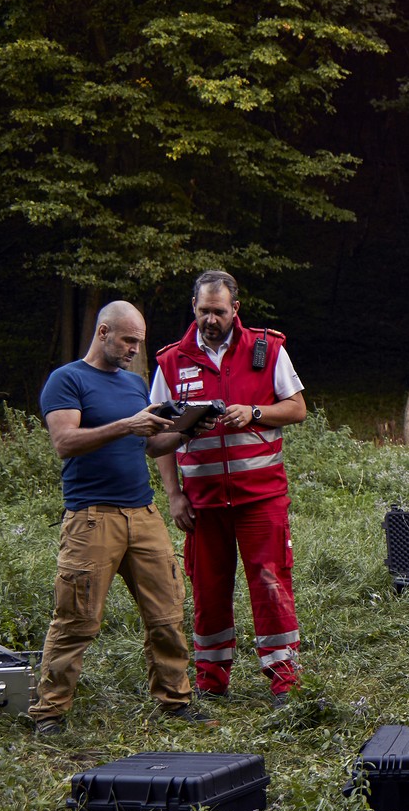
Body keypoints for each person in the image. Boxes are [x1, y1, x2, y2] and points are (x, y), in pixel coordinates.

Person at [32, 300, 215, 735]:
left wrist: (187, 429)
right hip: (92, 518)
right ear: (103, 333)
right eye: (128, 340)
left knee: (167, 612)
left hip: (143, 513)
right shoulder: (67, 380)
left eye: (140, 341)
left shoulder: (136, 385)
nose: (135, 348)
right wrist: (126, 425)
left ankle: (175, 701)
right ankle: (50, 712)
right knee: (76, 618)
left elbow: (149, 447)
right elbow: (65, 441)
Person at [152, 270, 308, 707]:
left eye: (218, 311)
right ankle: (211, 680)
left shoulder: (268, 349)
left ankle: (284, 681)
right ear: (194, 309)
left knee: (270, 583)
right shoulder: (171, 362)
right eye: (203, 311)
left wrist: (255, 412)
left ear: (234, 309)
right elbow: (157, 436)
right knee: (208, 591)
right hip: (201, 503)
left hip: (261, 498)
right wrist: (174, 494)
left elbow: (297, 409)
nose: (210, 320)